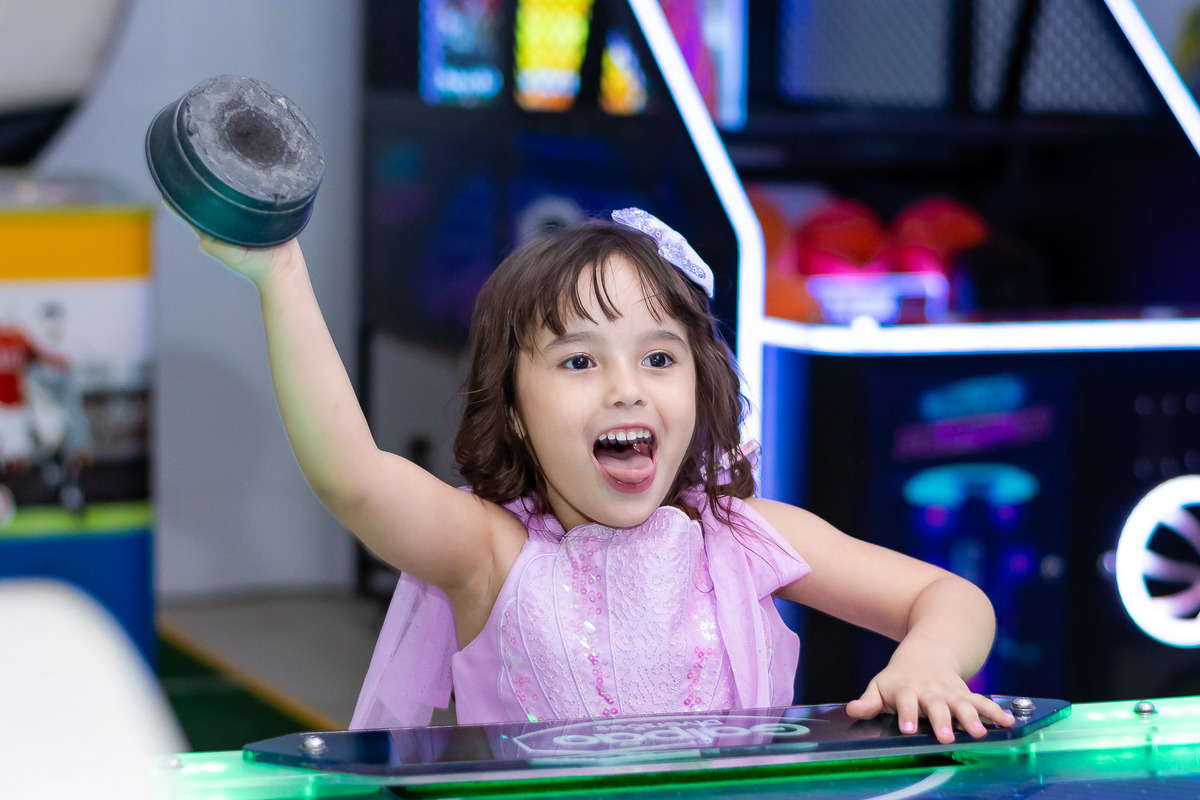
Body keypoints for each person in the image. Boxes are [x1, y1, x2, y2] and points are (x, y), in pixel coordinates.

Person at [198, 208, 1014, 743]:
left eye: (659, 357)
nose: (627, 386)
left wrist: (930, 662)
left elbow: (951, 597)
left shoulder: (746, 537)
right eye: (580, 360)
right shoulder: (491, 552)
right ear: (514, 408)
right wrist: (282, 276)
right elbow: (354, 477)